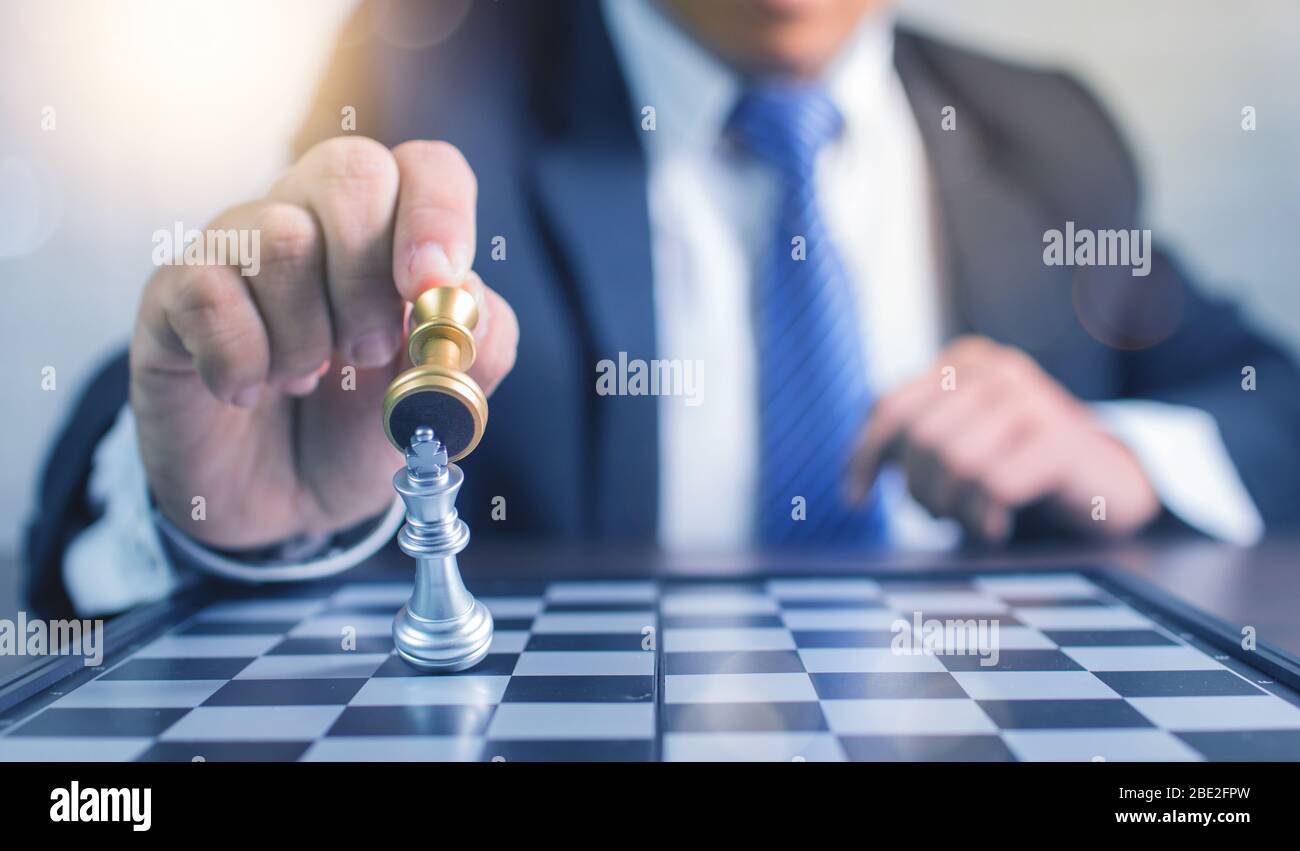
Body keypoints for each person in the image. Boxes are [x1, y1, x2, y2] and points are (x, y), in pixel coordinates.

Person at [25, 0, 1300, 618]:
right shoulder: (432, 77)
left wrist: (1127, 452)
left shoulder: (1044, 132)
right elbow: (234, 343)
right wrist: (209, 518)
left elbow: (1266, 397)